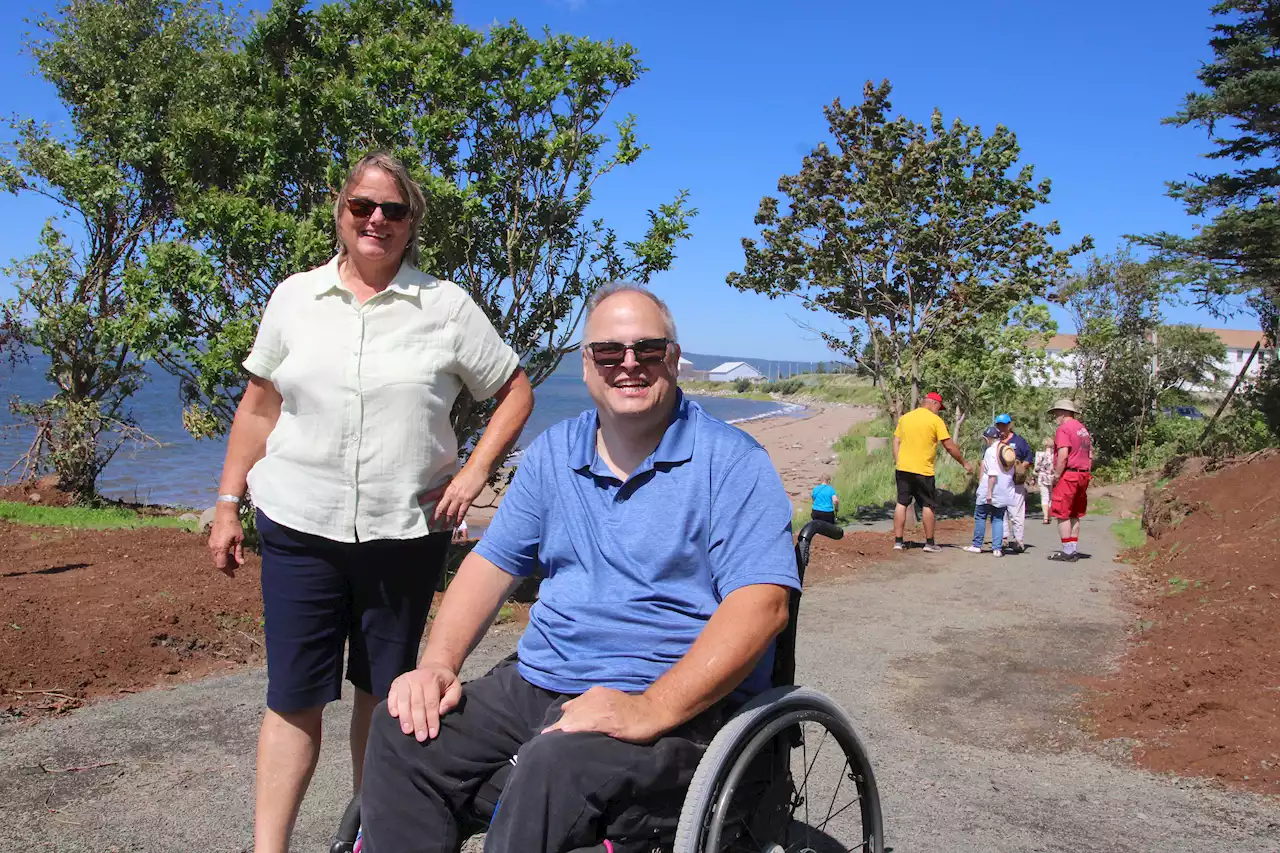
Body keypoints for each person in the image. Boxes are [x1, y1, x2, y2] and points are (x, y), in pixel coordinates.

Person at [358, 284, 800, 853]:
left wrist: (650, 707)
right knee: (400, 731)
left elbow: (762, 607)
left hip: (674, 698)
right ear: (587, 366)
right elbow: (491, 565)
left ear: (673, 356)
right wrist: (437, 666)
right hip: (541, 680)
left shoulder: (732, 462)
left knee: (554, 764)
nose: (629, 365)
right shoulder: (552, 454)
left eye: (647, 349)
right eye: (609, 353)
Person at [206, 151, 534, 853]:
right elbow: (259, 408)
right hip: (300, 527)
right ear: (341, 211)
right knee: (292, 695)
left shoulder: (444, 305)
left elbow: (514, 389)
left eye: (393, 209)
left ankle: (375, 839)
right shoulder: (295, 297)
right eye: (363, 206)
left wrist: (474, 472)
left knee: (387, 701)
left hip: (403, 533)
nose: (376, 220)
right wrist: (229, 501)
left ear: (413, 222)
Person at [891, 392, 973, 552]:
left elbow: (896, 440)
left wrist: (898, 459)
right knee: (928, 504)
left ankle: (898, 542)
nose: (938, 411)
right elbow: (948, 446)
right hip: (923, 470)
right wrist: (964, 463)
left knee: (901, 502)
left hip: (903, 468)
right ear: (934, 404)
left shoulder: (905, 418)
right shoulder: (935, 421)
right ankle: (929, 543)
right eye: (938, 408)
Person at [1046, 399, 1094, 562]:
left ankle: (1067, 551)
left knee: (1062, 512)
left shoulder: (1064, 429)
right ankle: (1072, 549)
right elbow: (1090, 454)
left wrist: (1057, 476)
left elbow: (1063, 455)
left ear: (1063, 413)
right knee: (1075, 513)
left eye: (1056, 414)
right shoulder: (1083, 429)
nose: (1055, 417)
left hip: (1069, 475)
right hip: (1083, 474)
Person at [964, 425, 1016, 556]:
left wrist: (989, 493)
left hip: (990, 489)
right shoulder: (1007, 450)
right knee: (998, 518)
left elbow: (992, 473)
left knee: (980, 516)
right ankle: (997, 548)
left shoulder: (990, 451)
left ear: (988, 439)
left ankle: (977, 545)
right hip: (1004, 490)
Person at [993, 413, 1033, 554]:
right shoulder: (994, 442)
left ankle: (1019, 540)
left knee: (1016, 512)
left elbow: (1029, 457)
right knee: (1000, 511)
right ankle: (1003, 538)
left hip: (1015, 483)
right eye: (999, 425)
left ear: (1010, 425)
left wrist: (1021, 468)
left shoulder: (1019, 441)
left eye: (1004, 425)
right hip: (999, 483)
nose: (1001, 427)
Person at [1034, 437, 1056, 524]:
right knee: (1050, 496)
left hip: (1042, 477)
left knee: (1044, 497)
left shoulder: (1040, 454)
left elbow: (1037, 468)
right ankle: (1049, 514)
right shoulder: (1054, 455)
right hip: (1051, 477)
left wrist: (1034, 475)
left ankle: (1045, 517)